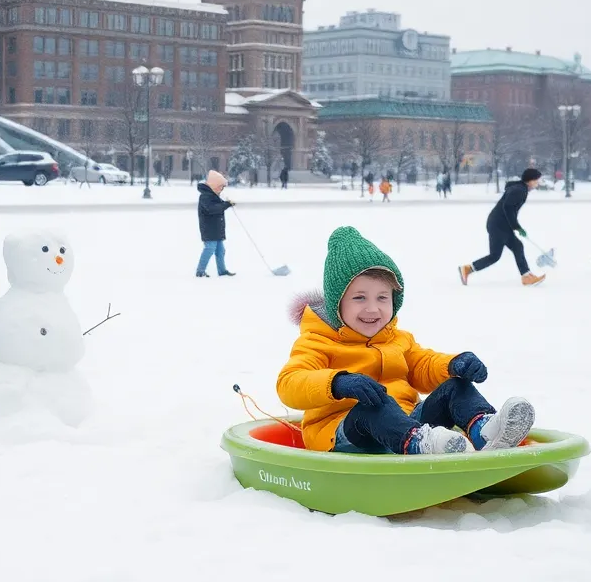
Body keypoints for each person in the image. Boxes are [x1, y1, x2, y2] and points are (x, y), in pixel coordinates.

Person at [277, 226, 535, 455]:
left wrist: (453, 364)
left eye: (382, 298)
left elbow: (422, 365)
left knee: (455, 387)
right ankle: (421, 445)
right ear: (337, 305)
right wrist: (338, 383)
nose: (372, 309)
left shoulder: (396, 338)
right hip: (342, 430)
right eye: (359, 298)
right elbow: (290, 383)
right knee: (375, 405)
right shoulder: (317, 341)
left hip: (407, 422)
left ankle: (485, 431)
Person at [458, 168, 546, 287]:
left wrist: (515, 226)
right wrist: (517, 227)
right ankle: (467, 269)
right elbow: (508, 208)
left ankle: (526, 276)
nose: (538, 182)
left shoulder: (520, 188)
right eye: (536, 180)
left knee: (517, 246)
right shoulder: (519, 190)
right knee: (495, 256)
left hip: (502, 224)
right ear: (530, 180)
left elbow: (510, 209)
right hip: (498, 225)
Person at [195, 169, 235, 278]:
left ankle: (222, 271)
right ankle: (200, 271)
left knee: (220, 250)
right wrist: (225, 205)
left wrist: (227, 203)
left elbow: (219, 205)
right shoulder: (205, 196)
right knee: (210, 248)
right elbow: (212, 209)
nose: (222, 189)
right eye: (221, 186)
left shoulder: (213, 195)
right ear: (215, 185)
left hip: (216, 228)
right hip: (209, 228)